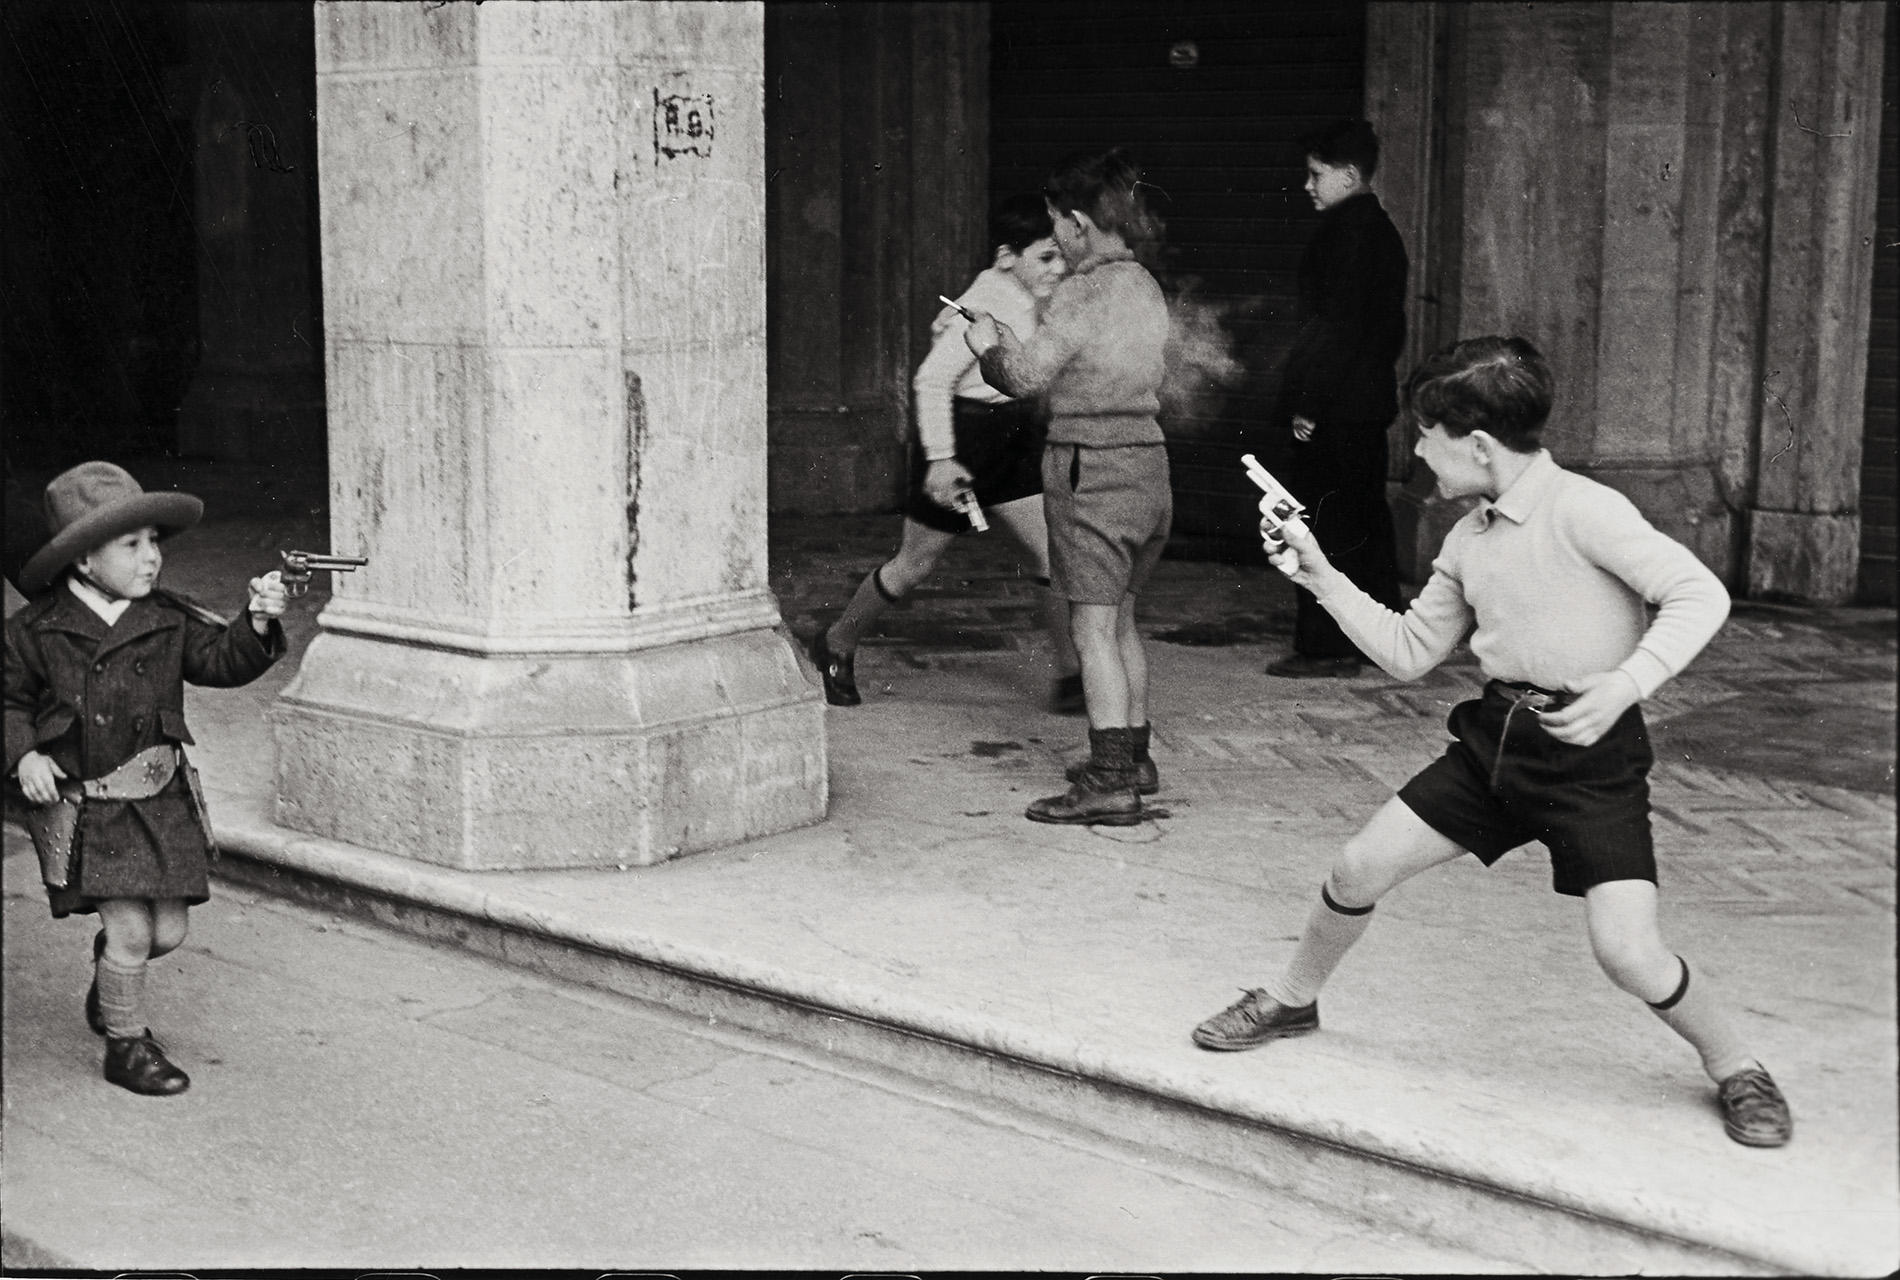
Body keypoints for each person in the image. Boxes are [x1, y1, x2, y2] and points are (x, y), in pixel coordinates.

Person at [1192, 337, 1793, 1148]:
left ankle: (1738, 1066)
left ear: (1476, 445)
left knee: (1628, 953)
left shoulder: (1586, 509)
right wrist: (1318, 575)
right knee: (1356, 867)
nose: (1415, 452)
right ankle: (1294, 1000)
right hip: (1495, 743)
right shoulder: (1467, 538)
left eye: (1425, 436)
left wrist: (1625, 684)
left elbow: (1699, 593)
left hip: (1592, 760)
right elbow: (1409, 652)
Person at [4, 461, 288, 1096]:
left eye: (154, 540)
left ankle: (113, 973)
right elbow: (9, 702)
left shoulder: (166, 617)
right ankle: (127, 1046)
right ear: (83, 560)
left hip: (159, 799)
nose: (151, 557)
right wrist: (24, 756)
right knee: (133, 931)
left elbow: (221, 661)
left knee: (168, 931)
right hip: (92, 806)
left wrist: (256, 622)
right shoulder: (35, 632)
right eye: (130, 545)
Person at [808, 194, 1083, 713]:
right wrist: (940, 458)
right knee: (914, 564)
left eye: (1062, 256)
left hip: (1010, 437)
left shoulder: (1029, 296)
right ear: (1007, 257)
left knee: (1052, 555)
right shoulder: (984, 305)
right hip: (962, 442)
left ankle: (1073, 674)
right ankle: (837, 642)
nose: (1058, 268)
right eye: (1046, 257)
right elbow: (930, 380)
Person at [965, 148, 1172, 826]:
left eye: (1056, 221)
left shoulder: (1085, 289)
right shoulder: (1142, 282)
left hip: (1093, 470)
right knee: (1123, 618)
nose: (1055, 234)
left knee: (1091, 627)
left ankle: (1109, 782)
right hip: (1148, 466)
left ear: (1078, 222)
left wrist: (988, 346)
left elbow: (1025, 377)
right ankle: (1134, 758)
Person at [1266, 118, 1407, 679]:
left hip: (1336, 409)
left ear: (1348, 175)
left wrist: (1308, 401)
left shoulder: (1345, 235)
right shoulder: (1379, 231)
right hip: (1363, 405)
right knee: (1363, 518)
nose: (1308, 185)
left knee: (1325, 525)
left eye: (1316, 174)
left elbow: (1334, 330)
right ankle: (1379, 636)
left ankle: (1327, 646)